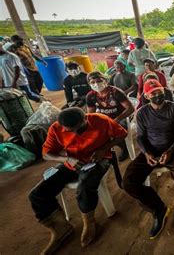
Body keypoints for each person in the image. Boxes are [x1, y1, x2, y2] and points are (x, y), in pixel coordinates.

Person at [29, 108, 127, 253]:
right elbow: (47, 154)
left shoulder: (100, 120)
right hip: (72, 162)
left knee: (85, 184)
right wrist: (66, 159)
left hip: (99, 159)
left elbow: (122, 135)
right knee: (37, 194)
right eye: (70, 131)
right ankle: (61, 229)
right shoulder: (56, 128)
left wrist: (104, 148)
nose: (75, 133)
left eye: (79, 129)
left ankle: (89, 221)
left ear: (85, 119)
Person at [123, 80, 174, 240]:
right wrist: (147, 153)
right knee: (128, 181)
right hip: (151, 150)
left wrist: (170, 151)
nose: (157, 95)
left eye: (159, 91)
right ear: (146, 95)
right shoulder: (141, 112)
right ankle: (158, 209)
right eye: (152, 93)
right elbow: (140, 136)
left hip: (173, 147)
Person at [86, 71, 134, 161]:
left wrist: (116, 119)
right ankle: (102, 150)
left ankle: (124, 148)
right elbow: (91, 114)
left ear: (105, 81)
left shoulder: (116, 92)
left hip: (120, 117)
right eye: (92, 82)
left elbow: (130, 108)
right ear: (90, 84)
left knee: (120, 129)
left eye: (99, 81)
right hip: (103, 118)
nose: (96, 84)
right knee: (91, 129)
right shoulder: (90, 96)